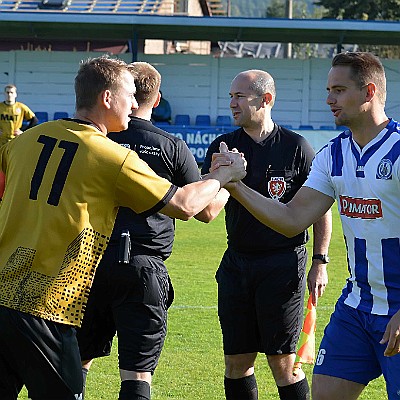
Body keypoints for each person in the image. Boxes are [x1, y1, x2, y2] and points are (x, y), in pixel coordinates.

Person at [0, 55, 246, 400]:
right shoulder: (110, 156)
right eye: (129, 94)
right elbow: (187, 206)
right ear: (106, 98)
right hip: (46, 306)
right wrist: (225, 175)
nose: (134, 103)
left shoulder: (23, 141)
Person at [211, 52, 400, 400]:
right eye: (329, 89)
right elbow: (292, 219)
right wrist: (234, 184)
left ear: (369, 91)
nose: (329, 99)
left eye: (339, 90)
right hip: (356, 308)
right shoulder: (333, 154)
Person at [76, 61, 221, 400]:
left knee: (77, 362)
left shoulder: (96, 139)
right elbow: (205, 211)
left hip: (86, 262)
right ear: (157, 100)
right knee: (137, 373)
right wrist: (226, 180)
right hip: (142, 266)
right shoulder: (170, 145)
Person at [201, 69, 332, 400]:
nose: (232, 103)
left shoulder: (296, 147)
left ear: (266, 99)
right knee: (237, 363)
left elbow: (321, 210)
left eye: (239, 96)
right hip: (237, 263)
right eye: (230, 96)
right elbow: (209, 210)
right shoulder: (224, 146)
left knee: (284, 364)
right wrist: (222, 176)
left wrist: (320, 260)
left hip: (283, 264)